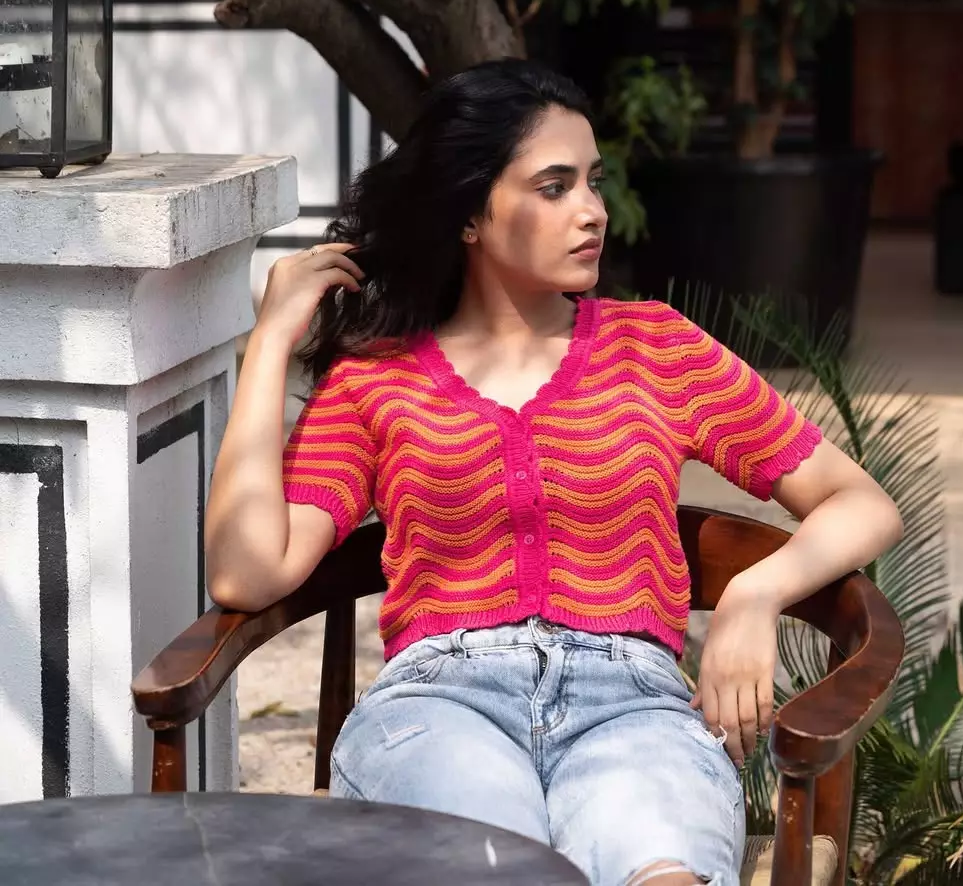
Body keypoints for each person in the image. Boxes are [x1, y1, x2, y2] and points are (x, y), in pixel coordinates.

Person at [205, 59, 904, 886]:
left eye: (593, 182)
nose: (593, 211)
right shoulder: (375, 380)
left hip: (636, 709)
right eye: (554, 186)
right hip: (441, 707)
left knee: (666, 874)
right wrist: (271, 341)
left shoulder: (656, 348)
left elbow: (860, 503)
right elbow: (246, 574)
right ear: (470, 214)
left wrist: (756, 594)